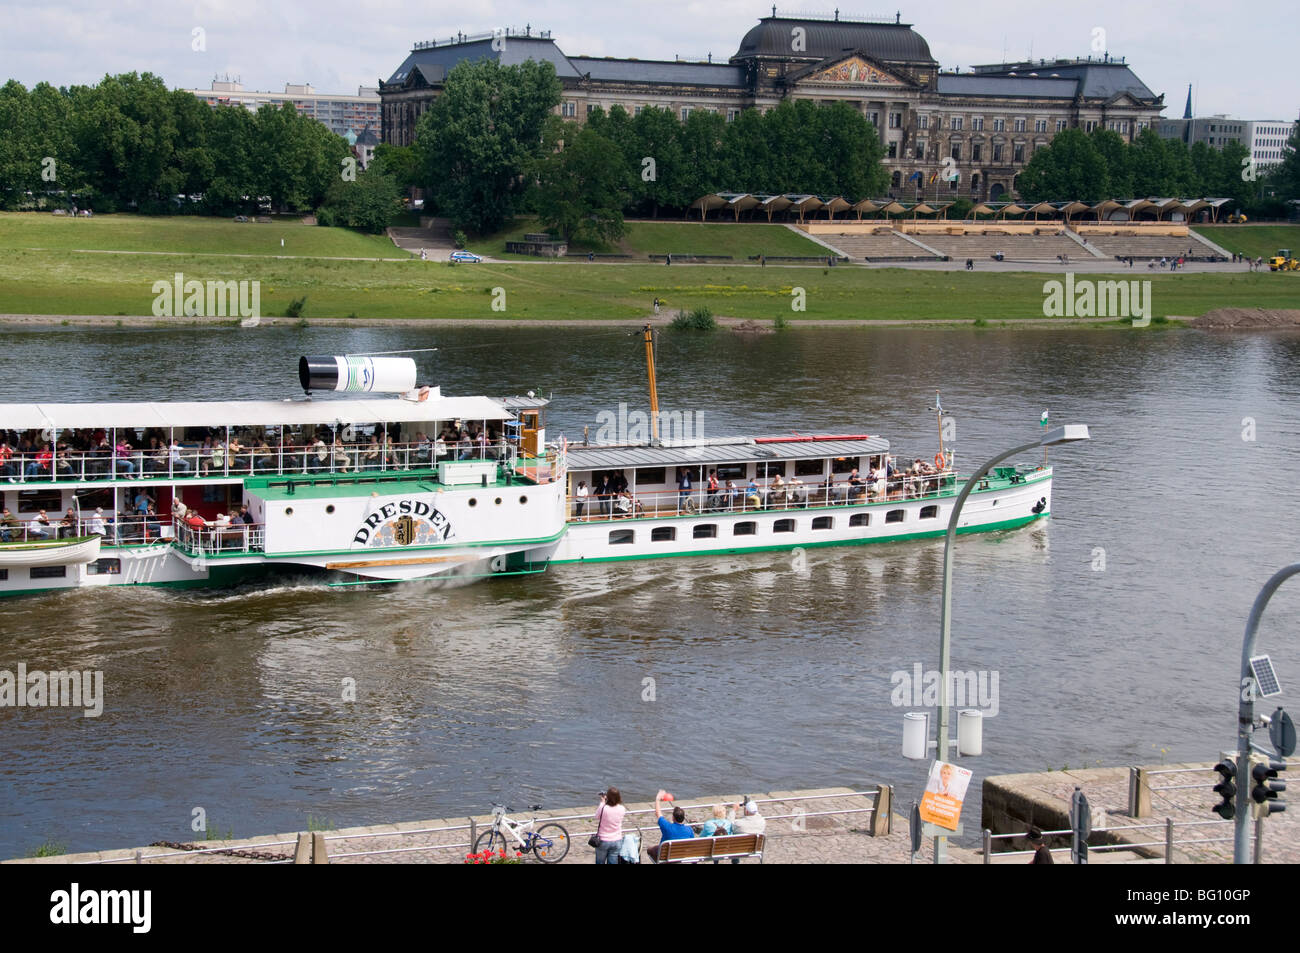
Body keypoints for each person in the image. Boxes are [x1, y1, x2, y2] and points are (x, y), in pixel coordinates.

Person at [648, 789, 693, 863]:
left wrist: (657, 799)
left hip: (665, 856)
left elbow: (658, 813)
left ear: (673, 817)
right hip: (680, 855)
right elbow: (691, 844)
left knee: (649, 849)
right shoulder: (689, 829)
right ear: (683, 818)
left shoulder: (667, 827)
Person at [725, 797, 766, 863]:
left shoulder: (740, 824)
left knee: (735, 836)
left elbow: (728, 824)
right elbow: (756, 814)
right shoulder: (762, 822)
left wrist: (734, 810)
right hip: (755, 849)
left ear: (746, 811)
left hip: (738, 849)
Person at [593, 787, 627, 865]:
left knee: (600, 862)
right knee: (613, 862)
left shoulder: (603, 807)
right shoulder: (622, 808)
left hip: (603, 840)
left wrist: (602, 802)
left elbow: (596, 816)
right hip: (617, 840)